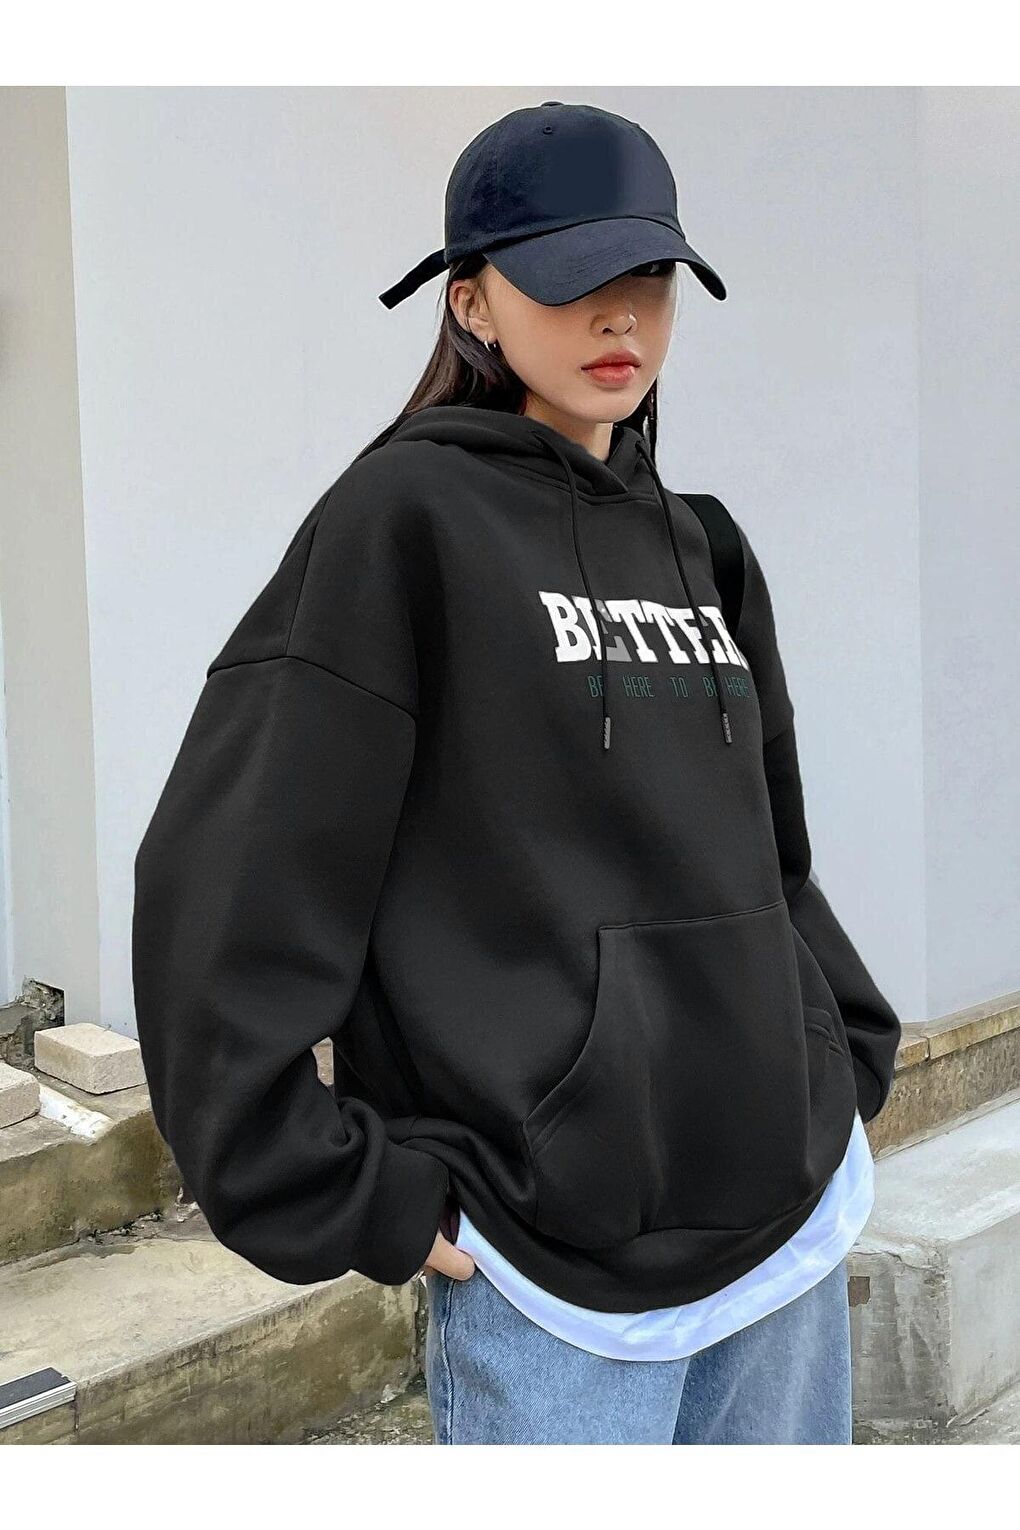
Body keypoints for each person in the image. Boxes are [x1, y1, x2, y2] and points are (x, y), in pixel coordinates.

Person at [131, 101, 901, 1446]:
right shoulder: (402, 525)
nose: (620, 316)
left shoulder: (706, 548)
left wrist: (837, 1048)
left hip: (785, 1233)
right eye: (571, 276)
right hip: (553, 1276)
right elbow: (233, 873)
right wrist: (337, 1184)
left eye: (650, 276)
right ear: (472, 301)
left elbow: (770, 856)